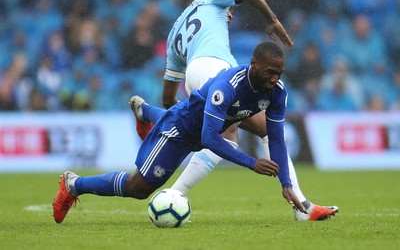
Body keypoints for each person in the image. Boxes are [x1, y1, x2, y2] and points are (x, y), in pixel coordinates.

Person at [135, 0, 338, 221]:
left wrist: (177, 120)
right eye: (228, 7)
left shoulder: (174, 35)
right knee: (228, 133)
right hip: (215, 69)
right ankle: (174, 194)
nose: (230, 13)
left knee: (261, 129)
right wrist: (272, 20)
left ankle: (145, 112)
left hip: (194, 74)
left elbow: (169, 99)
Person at [52, 42, 308, 223]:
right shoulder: (227, 87)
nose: (274, 78)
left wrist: (286, 183)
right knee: (139, 188)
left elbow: (275, 137)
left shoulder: (277, 91)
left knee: (187, 115)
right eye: (270, 72)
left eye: (278, 73)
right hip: (179, 131)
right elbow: (209, 139)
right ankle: (74, 184)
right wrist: (252, 163)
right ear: (253, 64)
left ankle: (145, 111)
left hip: (194, 122)